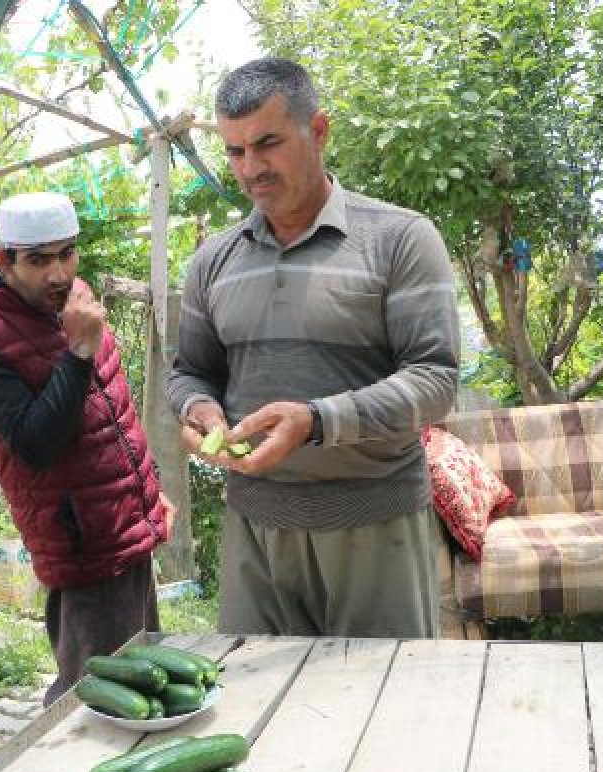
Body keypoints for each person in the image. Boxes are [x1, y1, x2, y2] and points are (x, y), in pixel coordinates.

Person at [168, 58, 460, 638]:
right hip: (255, 530)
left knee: (381, 710)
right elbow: (189, 373)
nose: (251, 167)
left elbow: (434, 380)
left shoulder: (400, 238)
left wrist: (317, 421)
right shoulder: (212, 260)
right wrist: (197, 412)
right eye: (235, 151)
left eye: (268, 143)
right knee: (261, 712)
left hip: (374, 525)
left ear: (319, 130)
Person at [0, 191, 174, 706]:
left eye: (67, 253)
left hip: (126, 528)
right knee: (96, 702)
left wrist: (149, 493)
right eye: (38, 260)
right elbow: (35, 444)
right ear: (4, 262)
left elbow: (112, 411)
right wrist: (78, 352)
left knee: (146, 680)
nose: (58, 273)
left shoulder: (73, 297)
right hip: (83, 547)